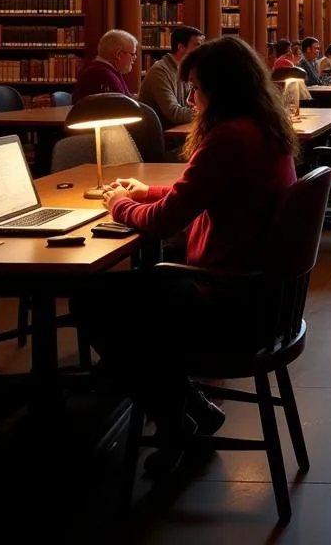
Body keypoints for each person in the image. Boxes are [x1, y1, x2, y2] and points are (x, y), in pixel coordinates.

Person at [82, 36, 299, 476]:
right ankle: (191, 407)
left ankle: (176, 421)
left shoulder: (229, 138)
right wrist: (146, 191)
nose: (191, 98)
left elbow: (164, 221)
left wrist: (118, 205)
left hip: (230, 301)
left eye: (197, 88)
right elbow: (196, 192)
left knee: (94, 301)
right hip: (264, 296)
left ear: (222, 88)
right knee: (124, 297)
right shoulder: (261, 128)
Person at [138, 25, 204, 128]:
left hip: (178, 132)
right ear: (181, 47)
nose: (202, 51)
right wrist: (207, 113)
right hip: (162, 137)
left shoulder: (185, 70)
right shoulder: (160, 71)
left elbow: (191, 105)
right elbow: (174, 113)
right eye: (197, 45)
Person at [73, 28, 137, 102]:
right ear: (118, 54)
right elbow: (121, 108)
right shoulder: (103, 75)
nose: (135, 58)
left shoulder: (97, 69)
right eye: (132, 54)